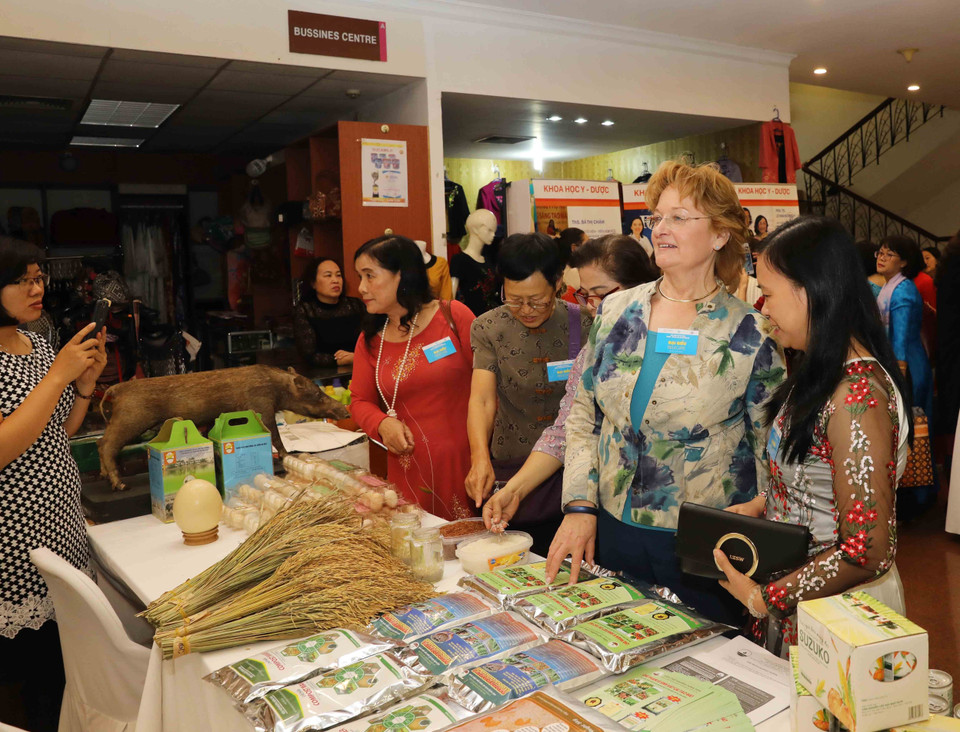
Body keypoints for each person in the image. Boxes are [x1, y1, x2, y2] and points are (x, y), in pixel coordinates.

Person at [547, 162, 786, 624]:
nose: (660, 229)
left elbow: (768, 449)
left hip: (705, 544)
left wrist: (760, 529)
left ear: (720, 234)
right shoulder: (616, 311)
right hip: (611, 527)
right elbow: (584, 415)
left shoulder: (751, 332)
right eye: (657, 217)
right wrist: (579, 504)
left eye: (679, 217)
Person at [713, 217, 910, 658]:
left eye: (769, 294)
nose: (763, 309)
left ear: (811, 290)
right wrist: (765, 503)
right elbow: (817, 473)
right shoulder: (822, 371)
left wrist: (766, 599)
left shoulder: (857, 397)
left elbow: (867, 550)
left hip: (837, 611)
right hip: (804, 593)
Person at [0, 237, 107, 731]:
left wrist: (83, 385)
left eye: (38, 278)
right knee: (26, 689)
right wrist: (57, 377)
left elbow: (59, 429)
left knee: (66, 679)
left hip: (63, 531)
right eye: (21, 280)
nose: (36, 288)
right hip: (13, 553)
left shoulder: (39, 345)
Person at [482, 235, 658, 533]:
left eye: (601, 295)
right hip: (611, 507)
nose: (591, 307)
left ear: (641, 287)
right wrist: (514, 490)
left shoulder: (673, 342)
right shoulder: (593, 352)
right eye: (585, 295)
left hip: (672, 505)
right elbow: (564, 431)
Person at [465, 232, 594, 553]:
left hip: (569, 470)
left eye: (537, 300)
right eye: (514, 299)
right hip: (510, 462)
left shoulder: (585, 323)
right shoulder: (488, 328)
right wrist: (479, 458)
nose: (525, 309)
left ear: (558, 283)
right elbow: (482, 399)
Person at [349, 235, 476, 520]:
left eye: (370, 276)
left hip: (467, 465)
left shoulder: (453, 316)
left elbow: (489, 386)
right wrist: (382, 423)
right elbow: (359, 400)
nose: (361, 287)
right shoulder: (370, 339)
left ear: (402, 274)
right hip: (407, 470)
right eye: (360, 277)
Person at [875, 235, 933, 421]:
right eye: (880, 253)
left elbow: (901, 336)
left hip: (908, 366)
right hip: (898, 361)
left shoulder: (903, 290)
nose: (882, 258)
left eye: (889, 254)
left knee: (912, 425)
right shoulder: (889, 286)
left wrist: (898, 373)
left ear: (904, 262)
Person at [292, 257, 365, 367]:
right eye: (328, 275)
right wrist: (341, 360)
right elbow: (308, 355)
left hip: (360, 367)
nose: (335, 280)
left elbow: (373, 341)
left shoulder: (356, 305)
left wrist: (356, 357)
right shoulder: (305, 310)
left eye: (338, 275)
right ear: (313, 283)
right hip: (323, 373)